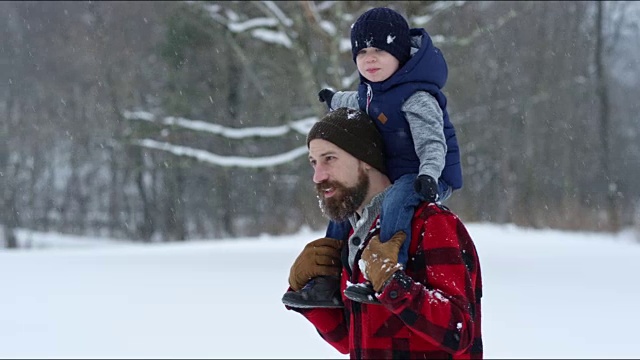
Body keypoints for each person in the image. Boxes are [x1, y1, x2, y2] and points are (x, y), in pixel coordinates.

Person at [285, 6, 463, 307]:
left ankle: (387, 270)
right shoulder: (373, 92)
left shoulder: (417, 97)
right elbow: (354, 100)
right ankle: (328, 281)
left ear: (401, 53)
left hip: (429, 175)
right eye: (362, 51)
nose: (369, 59)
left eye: (379, 50)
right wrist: (333, 99)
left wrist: (429, 176)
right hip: (399, 173)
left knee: (396, 199)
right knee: (344, 207)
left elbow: (433, 143)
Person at [282, 108, 483, 358]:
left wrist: (393, 284)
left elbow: (459, 331)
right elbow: (350, 339)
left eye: (329, 159)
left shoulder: (431, 223)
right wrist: (302, 288)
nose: (318, 175)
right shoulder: (352, 235)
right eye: (314, 162)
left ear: (365, 160)